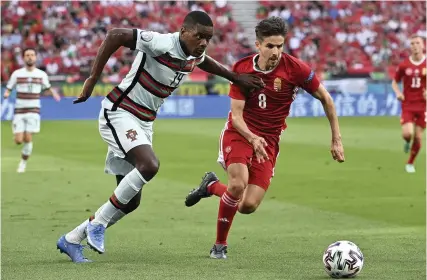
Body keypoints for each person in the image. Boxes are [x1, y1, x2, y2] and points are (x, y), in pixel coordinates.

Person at [56, 11, 264, 263]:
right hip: (120, 112)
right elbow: (115, 35)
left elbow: (205, 61)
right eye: (199, 36)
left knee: (130, 202)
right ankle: (97, 224)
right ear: (183, 31)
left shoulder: (193, 53)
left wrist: (235, 77)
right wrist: (92, 79)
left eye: (208, 38)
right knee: (149, 165)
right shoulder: (161, 42)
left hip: (144, 122)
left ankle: (71, 239)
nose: (203, 43)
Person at [184, 16, 345, 259]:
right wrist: (251, 137)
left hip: (269, 140)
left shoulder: (296, 69)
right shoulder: (241, 69)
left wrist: (336, 139)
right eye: (270, 46)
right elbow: (236, 116)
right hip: (240, 133)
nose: (276, 51)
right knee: (238, 184)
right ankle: (220, 245)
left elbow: (326, 98)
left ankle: (211, 186)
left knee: (248, 206)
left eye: (280, 46)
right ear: (258, 45)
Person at [3, 47, 61, 173]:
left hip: (33, 110)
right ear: (24, 58)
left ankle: (23, 163)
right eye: (27, 55)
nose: (30, 57)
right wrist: (6, 93)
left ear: (35, 57)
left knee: (28, 138)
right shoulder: (17, 74)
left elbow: (48, 87)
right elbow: (9, 87)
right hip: (19, 110)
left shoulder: (41, 74)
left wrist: (55, 94)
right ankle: (21, 145)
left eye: (32, 55)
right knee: (19, 140)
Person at [391, 35, 426, 173]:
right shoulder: (404, 65)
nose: (415, 45)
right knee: (407, 134)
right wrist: (398, 93)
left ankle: (410, 162)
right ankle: (406, 142)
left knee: (418, 136)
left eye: (417, 43)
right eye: (412, 43)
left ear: (423, 45)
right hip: (408, 104)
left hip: (424, 106)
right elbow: (394, 82)